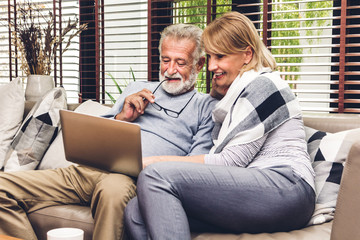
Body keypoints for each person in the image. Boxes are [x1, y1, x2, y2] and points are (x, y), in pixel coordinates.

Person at [0, 24, 218, 240]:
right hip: (87, 170)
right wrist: (121, 117)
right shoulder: (136, 88)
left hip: (130, 179)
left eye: (180, 63)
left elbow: (193, 168)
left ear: (199, 64)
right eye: (165, 60)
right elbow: (98, 133)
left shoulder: (206, 107)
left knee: (113, 193)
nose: (170, 70)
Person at [124, 11, 316, 239]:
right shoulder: (236, 94)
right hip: (255, 192)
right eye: (211, 57)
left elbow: (229, 162)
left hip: (287, 188)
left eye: (221, 57)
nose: (212, 66)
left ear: (247, 55)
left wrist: (149, 162)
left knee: (155, 175)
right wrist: (220, 89)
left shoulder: (264, 85)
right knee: (137, 209)